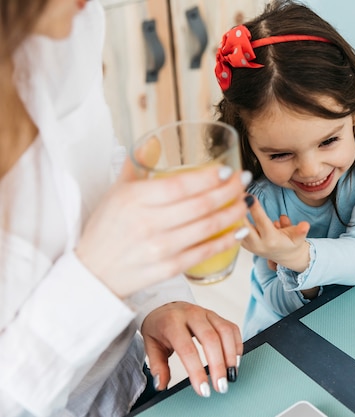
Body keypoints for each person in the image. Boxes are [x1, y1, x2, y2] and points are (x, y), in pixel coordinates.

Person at [0, 0, 252, 415]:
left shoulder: (69, 22)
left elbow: (99, 163)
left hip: (129, 383)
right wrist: (96, 280)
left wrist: (158, 300)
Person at [215, 0, 355, 340]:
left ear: (353, 112)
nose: (310, 170)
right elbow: (278, 309)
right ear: (249, 144)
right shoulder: (258, 201)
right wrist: (298, 274)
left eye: (327, 142)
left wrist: (298, 255)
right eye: (279, 154)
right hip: (289, 339)